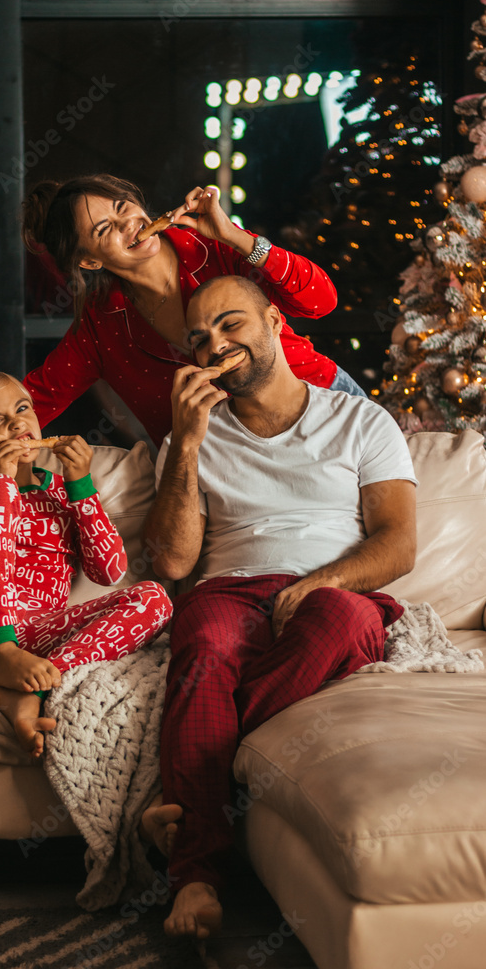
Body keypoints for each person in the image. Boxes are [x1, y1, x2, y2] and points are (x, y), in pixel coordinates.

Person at [141, 275, 418, 939]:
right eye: (200, 339)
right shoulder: (190, 435)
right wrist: (184, 440)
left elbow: (397, 543)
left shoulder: (360, 420)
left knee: (336, 619)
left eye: (231, 325)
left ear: (271, 321)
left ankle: (196, 814)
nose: (217, 345)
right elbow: (174, 564)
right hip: (230, 592)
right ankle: (199, 880)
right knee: (202, 641)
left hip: (337, 592)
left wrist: (316, 584)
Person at [0, 370, 172, 757]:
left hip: (34, 637)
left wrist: (81, 485)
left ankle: (30, 687)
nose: (17, 423)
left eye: (22, 410)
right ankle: (0, 654)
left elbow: (109, 571)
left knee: (155, 599)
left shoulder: (59, 489)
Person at [21, 175, 367, 450]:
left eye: (122, 206)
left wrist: (235, 236)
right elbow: (31, 402)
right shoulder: (100, 328)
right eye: (104, 228)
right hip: (231, 467)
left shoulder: (216, 247)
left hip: (323, 405)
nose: (127, 222)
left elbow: (320, 302)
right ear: (90, 261)